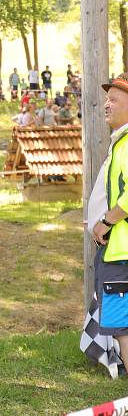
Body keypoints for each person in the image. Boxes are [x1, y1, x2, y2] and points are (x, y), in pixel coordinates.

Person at [87, 73, 128, 369]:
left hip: (121, 254)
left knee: (123, 329)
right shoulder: (120, 142)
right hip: (116, 253)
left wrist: (106, 222)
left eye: (114, 99)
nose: (106, 104)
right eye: (106, 98)